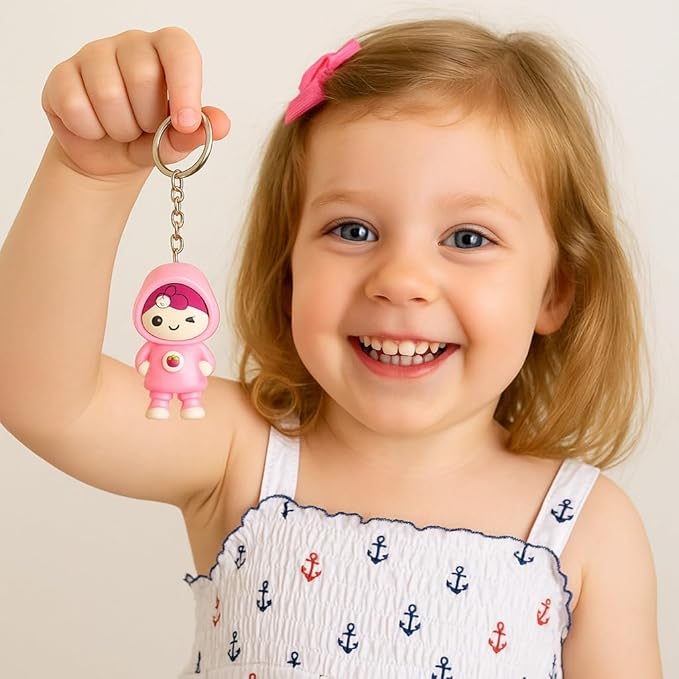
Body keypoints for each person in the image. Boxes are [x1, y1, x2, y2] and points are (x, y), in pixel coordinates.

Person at [0, 17, 663, 678]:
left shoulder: (586, 530)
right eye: (352, 230)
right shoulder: (239, 456)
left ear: (554, 290)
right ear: (288, 273)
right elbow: (42, 396)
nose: (401, 279)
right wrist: (87, 174)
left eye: (467, 238)